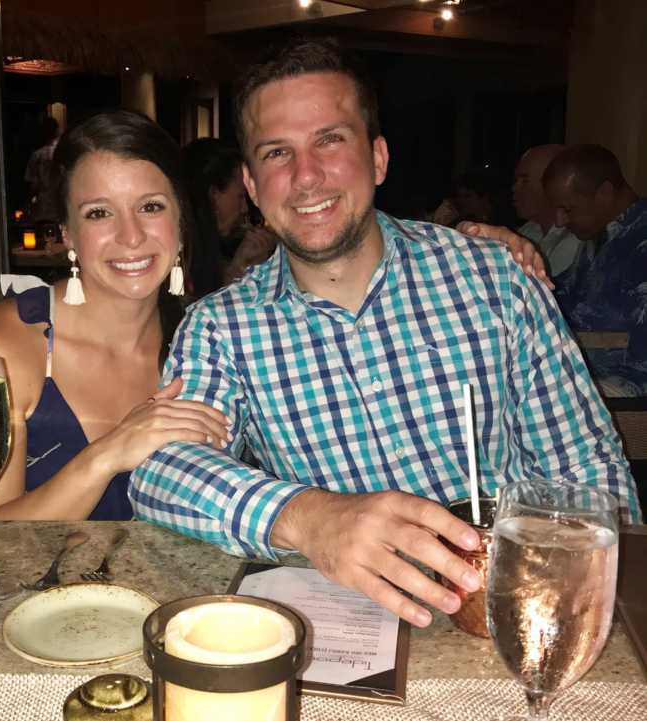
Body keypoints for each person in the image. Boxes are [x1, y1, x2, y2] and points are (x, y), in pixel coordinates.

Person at [130, 37, 641, 629]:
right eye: (277, 153)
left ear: (377, 158)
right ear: (251, 186)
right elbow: (162, 471)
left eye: (329, 139)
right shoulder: (223, 325)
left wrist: (590, 609)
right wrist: (309, 517)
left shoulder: (493, 277)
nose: (306, 175)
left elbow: (587, 470)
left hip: (508, 613)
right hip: (342, 630)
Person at [0, 110, 229, 520]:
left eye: (150, 206)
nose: (130, 236)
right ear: (66, 232)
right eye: (99, 213)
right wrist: (109, 453)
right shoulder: (0, 352)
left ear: (181, 220)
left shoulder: (206, 338)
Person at [543, 144, 647, 385]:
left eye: (567, 209)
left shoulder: (639, 244)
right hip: (585, 376)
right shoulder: (601, 236)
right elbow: (561, 296)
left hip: (629, 394)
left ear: (605, 193)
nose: (560, 222)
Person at [183, 138, 277, 297]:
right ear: (213, 196)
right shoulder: (179, 257)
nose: (244, 209)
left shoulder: (224, 248)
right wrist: (238, 268)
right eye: (240, 197)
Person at [513, 144, 582, 277]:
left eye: (524, 180)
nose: (515, 188)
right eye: (516, 180)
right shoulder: (528, 231)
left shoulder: (580, 242)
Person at [24, 114, 61, 223]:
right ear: (57, 132)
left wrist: (28, 203)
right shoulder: (63, 154)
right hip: (60, 206)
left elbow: (32, 184)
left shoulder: (37, 155)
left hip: (43, 207)